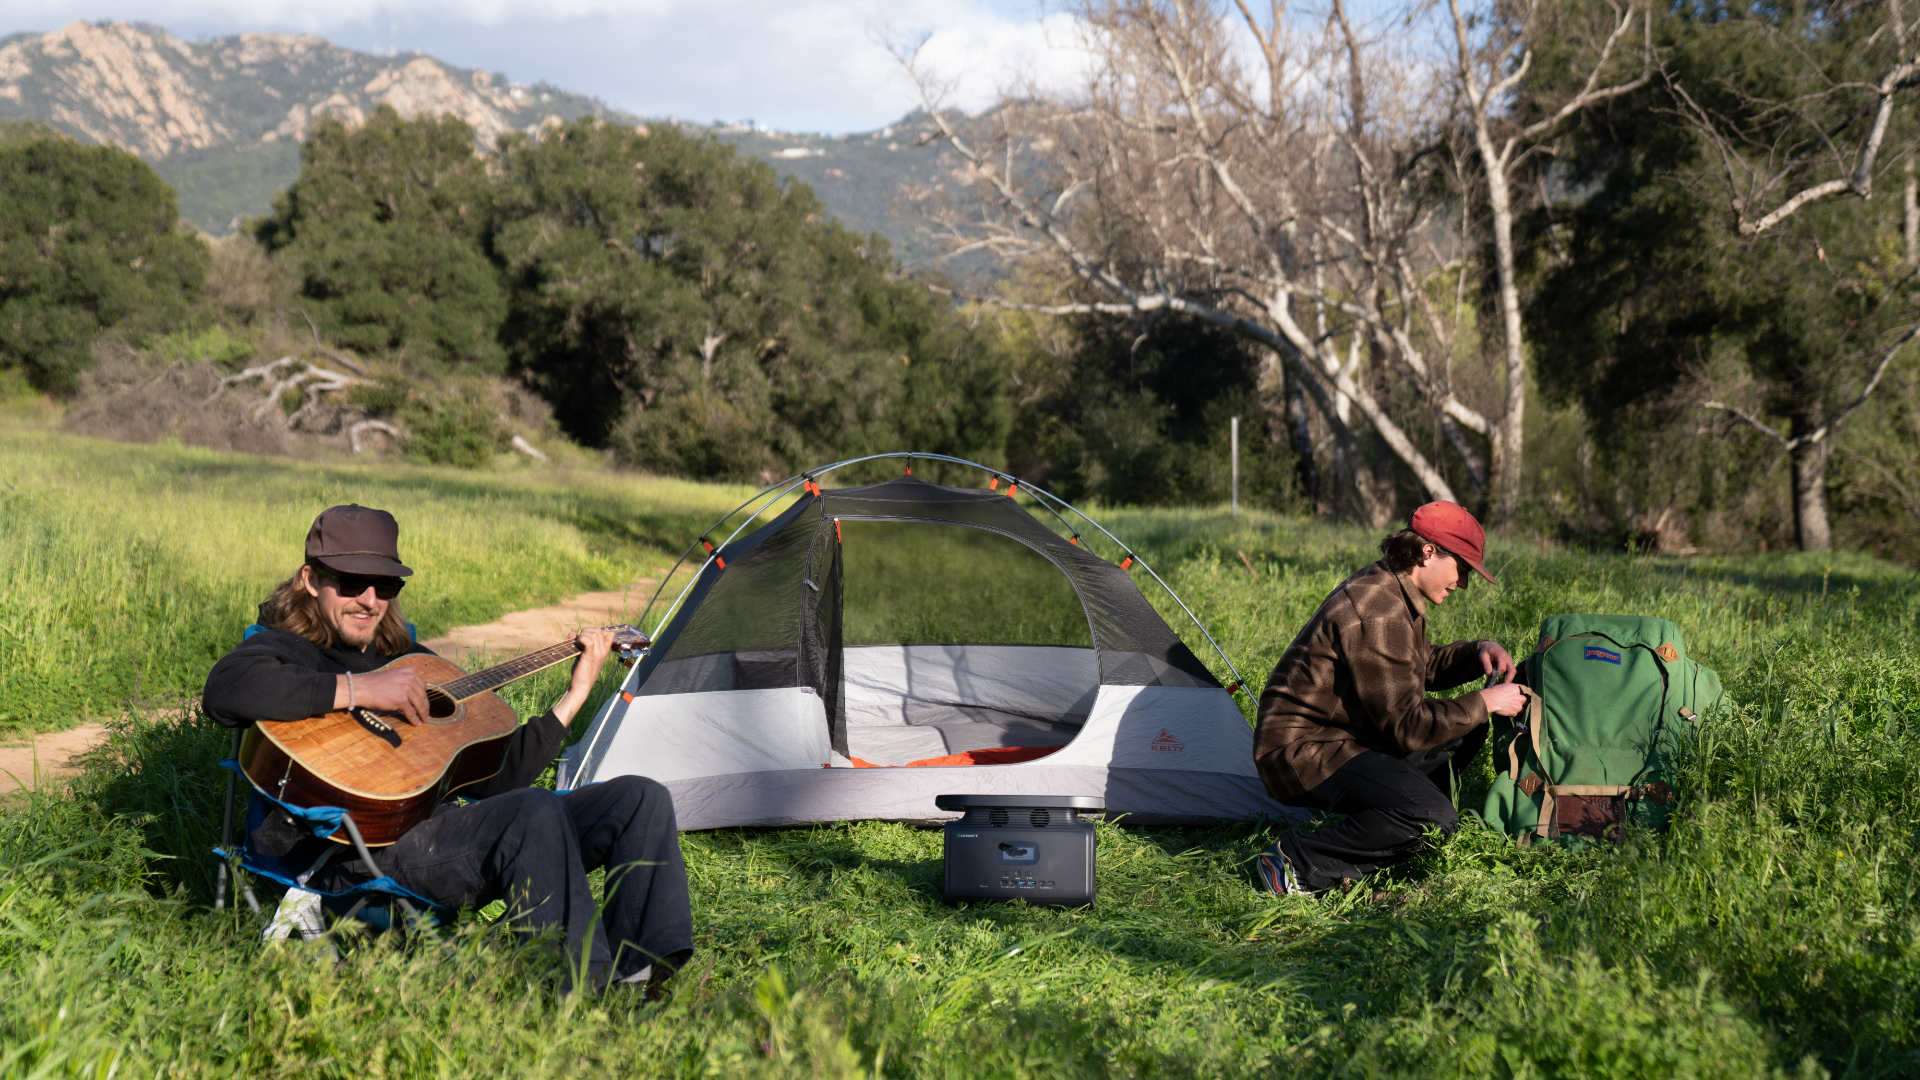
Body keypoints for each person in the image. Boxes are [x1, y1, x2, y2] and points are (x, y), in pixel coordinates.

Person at [203, 504, 693, 992]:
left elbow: (498, 779)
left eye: (385, 586)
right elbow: (226, 690)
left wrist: (575, 695)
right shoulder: (289, 647)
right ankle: (578, 998)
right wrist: (361, 689)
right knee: (533, 812)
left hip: (443, 836)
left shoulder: (415, 662)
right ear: (311, 580)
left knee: (640, 800)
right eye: (351, 582)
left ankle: (640, 980)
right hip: (355, 853)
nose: (369, 601)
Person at [1251, 501, 1525, 896]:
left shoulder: (1392, 587)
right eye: (1462, 569)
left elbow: (1417, 665)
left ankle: (1389, 824)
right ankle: (1296, 862)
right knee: (1432, 817)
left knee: (1465, 732)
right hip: (1303, 750)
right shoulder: (1378, 610)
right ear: (1428, 552)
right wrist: (1487, 702)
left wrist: (1477, 651)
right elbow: (1408, 729)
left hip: (1344, 736)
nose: (1463, 583)